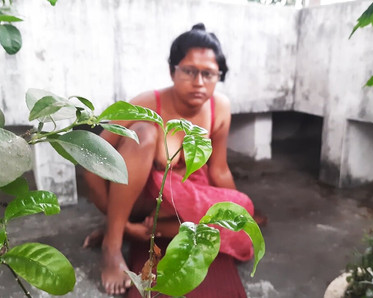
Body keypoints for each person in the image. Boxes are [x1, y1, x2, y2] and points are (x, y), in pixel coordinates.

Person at [83, 23, 262, 296]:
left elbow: (220, 170)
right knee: (145, 132)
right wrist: (113, 217)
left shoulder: (220, 108)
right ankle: (113, 242)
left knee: (242, 210)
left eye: (209, 74)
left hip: (181, 200)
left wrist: (238, 212)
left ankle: (143, 231)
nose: (199, 82)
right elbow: (93, 162)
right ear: (172, 71)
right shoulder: (146, 103)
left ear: (219, 76)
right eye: (189, 71)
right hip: (137, 199)